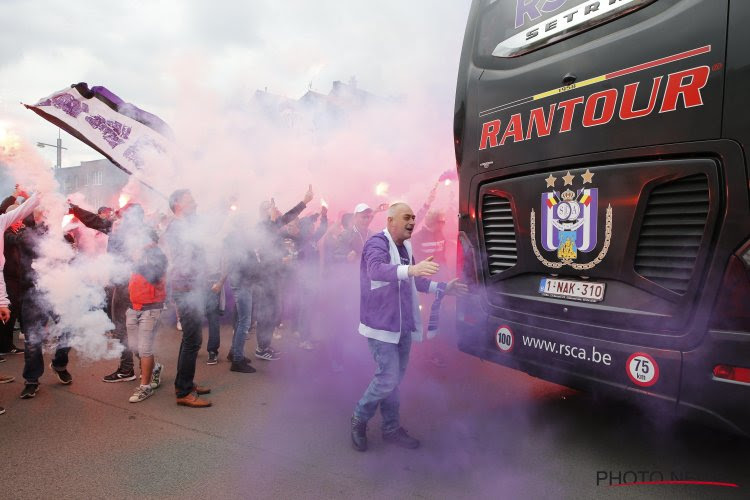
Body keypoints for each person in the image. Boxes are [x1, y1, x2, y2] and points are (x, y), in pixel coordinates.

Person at [350, 203, 467, 452]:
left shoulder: (406, 247)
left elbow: (416, 279)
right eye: (407, 217)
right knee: (387, 377)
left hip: (402, 324)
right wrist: (412, 269)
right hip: (381, 325)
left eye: (414, 217)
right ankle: (359, 417)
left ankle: (391, 429)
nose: (412, 221)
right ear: (391, 220)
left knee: (394, 380)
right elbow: (375, 270)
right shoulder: (376, 243)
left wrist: (443, 288)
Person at [69, 201, 136, 383]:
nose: (115, 216)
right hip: (120, 283)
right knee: (126, 327)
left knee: (125, 327)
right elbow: (93, 220)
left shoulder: (135, 234)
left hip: (128, 285)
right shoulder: (117, 228)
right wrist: (75, 208)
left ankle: (133, 368)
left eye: (120, 215)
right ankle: (134, 367)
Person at [18, 206, 76, 400]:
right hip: (33, 291)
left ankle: (59, 364)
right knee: (33, 339)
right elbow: (29, 244)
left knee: (69, 327)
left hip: (56, 289)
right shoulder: (25, 232)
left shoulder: (57, 233)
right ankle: (32, 381)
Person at [162, 189, 212, 407]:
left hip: (192, 287)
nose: (194, 201)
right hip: (185, 289)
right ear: (178, 205)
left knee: (192, 340)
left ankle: (185, 383)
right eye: (189, 199)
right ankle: (183, 392)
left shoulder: (185, 225)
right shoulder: (176, 227)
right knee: (192, 341)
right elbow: (185, 259)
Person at [251, 185, 314, 361]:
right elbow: (262, 252)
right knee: (267, 312)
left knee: (273, 312)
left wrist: (305, 202)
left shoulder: (272, 225)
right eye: (272, 207)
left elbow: (288, 217)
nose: (276, 209)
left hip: (273, 276)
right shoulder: (261, 227)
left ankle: (265, 345)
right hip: (265, 278)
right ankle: (261, 348)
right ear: (264, 212)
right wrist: (279, 260)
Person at [0, 188, 40, 411]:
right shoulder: (8, 233)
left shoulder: (21, 226)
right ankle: (31, 379)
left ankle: (59, 364)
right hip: (18, 288)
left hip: (36, 287)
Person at [126, 215, 167, 403]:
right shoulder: (140, 255)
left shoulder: (157, 255)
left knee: (144, 349)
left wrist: (138, 262)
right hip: (134, 307)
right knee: (136, 348)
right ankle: (154, 369)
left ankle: (145, 387)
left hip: (151, 309)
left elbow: (155, 277)